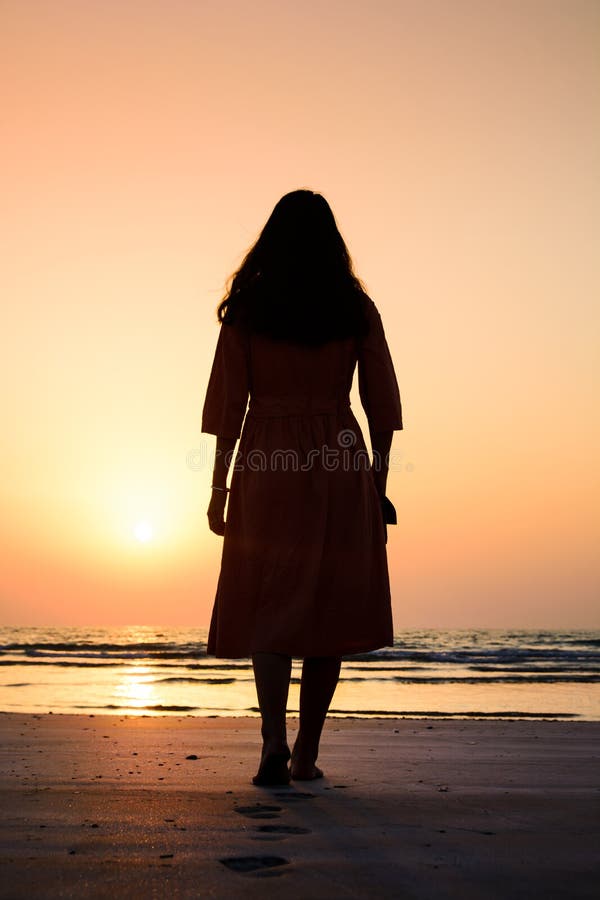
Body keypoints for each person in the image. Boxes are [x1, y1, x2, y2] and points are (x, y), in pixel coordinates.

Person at [201, 189, 403, 785]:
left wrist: (218, 488)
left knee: (270, 598)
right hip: (340, 457)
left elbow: (225, 408)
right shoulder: (353, 307)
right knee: (328, 603)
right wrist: (378, 482)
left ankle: (271, 741)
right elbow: (382, 407)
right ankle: (306, 754)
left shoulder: (249, 310)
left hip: (266, 459)